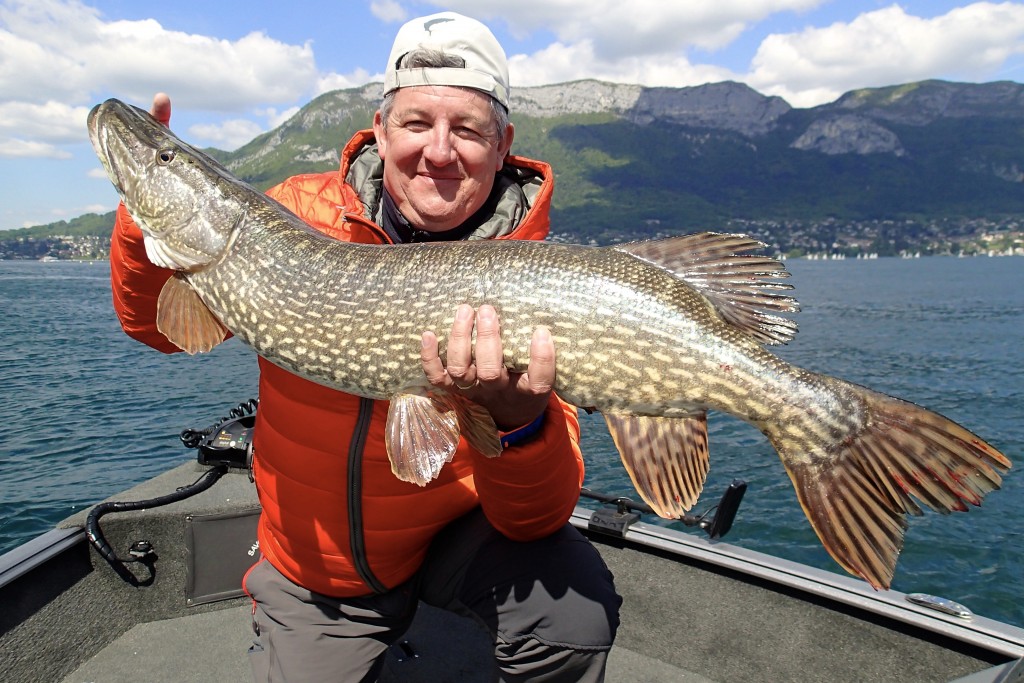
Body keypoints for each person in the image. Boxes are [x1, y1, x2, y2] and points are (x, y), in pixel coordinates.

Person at [108, 11, 621, 683]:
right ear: (380, 129)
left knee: (572, 621)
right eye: (416, 123)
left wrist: (519, 423)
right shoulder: (290, 216)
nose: (439, 150)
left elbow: (539, 516)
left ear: (503, 146)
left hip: (457, 538)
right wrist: (146, 205)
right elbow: (157, 324)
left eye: (466, 128)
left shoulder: (531, 276)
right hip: (319, 570)